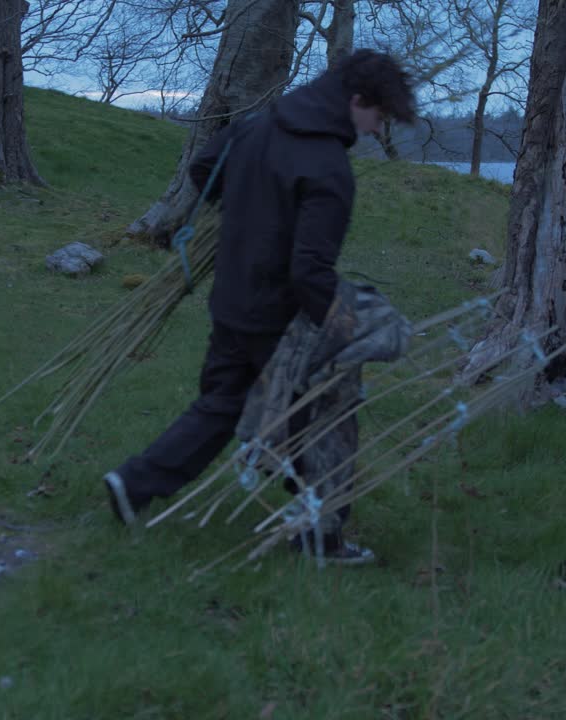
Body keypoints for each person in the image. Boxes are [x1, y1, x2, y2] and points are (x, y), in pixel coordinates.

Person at [104, 50, 415, 563]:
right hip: (278, 316)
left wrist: (248, 213)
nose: (374, 131)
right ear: (357, 101)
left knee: (222, 403)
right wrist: (347, 328)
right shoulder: (329, 169)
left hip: (231, 296)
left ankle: (132, 484)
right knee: (324, 415)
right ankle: (321, 537)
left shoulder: (261, 124)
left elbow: (206, 168)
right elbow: (309, 271)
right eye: (378, 118)